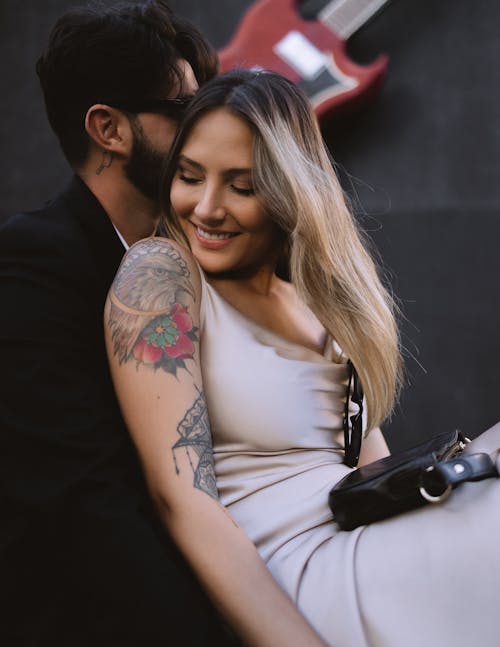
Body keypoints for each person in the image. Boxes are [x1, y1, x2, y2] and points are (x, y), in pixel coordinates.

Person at [105, 68, 500, 647]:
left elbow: (376, 473)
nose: (206, 208)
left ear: (291, 190)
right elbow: (180, 499)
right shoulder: (161, 274)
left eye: (241, 187)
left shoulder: (319, 302)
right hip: (298, 582)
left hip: (367, 547)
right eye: (190, 177)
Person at [0, 3, 242, 646]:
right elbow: (86, 501)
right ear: (109, 127)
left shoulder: (205, 253)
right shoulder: (34, 264)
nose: (206, 130)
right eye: (185, 110)